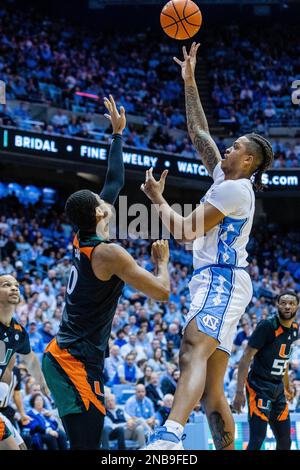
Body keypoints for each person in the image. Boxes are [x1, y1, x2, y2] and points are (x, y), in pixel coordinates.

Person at [141, 43, 274, 450]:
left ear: (248, 161)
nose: (227, 148)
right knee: (213, 391)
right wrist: (190, 80)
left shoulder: (236, 190)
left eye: (234, 147)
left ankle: (169, 437)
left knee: (191, 348)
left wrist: (157, 199)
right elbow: (199, 135)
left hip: (221, 279)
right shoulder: (225, 180)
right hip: (216, 280)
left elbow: (184, 232)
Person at [42, 96, 170, 450]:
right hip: (73, 361)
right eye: (102, 202)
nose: (108, 199)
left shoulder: (83, 238)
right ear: (100, 215)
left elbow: (113, 181)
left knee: (90, 444)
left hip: (71, 355)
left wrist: (117, 135)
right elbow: (162, 292)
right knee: (89, 446)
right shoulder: (109, 253)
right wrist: (162, 260)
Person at [232, 291, 299, 450]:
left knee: (285, 440)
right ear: (277, 305)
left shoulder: (295, 329)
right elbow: (245, 358)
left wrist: (287, 386)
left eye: (291, 303)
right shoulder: (267, 326)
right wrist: (239, 392)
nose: (287, 306)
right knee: (257, 439)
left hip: (278, 389)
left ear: (297, 306)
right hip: (259, 386)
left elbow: (284, 361)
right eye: (283, 303)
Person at [0, 274, 49, 450]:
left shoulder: (18, 332)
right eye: (6, 285)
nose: (14, 288)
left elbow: (31, 362)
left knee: (21, 447)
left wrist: (45, 386)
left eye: (16, 285)